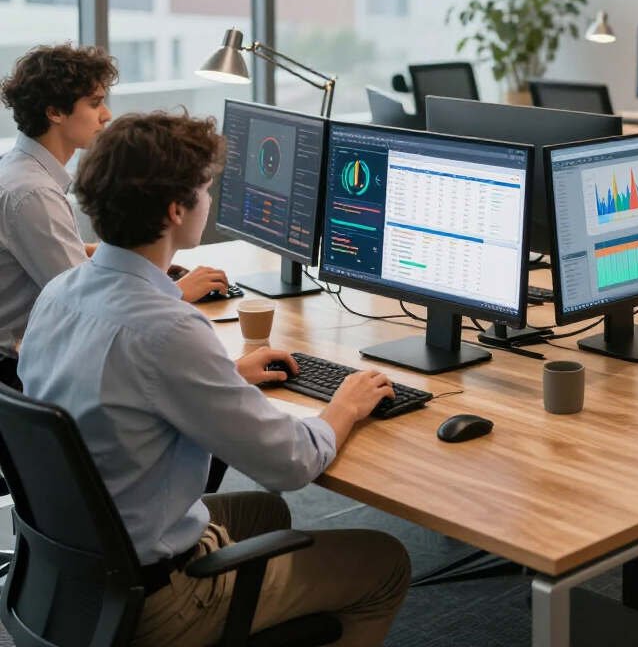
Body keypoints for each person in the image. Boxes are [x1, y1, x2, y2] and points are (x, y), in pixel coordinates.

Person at [18, 111, 411, 647]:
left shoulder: (57, 294)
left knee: (265, 513)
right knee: (384, 561)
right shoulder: (168, 330)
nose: (211, 199)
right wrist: (344, 403)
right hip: (158, 601)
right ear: (176, 210)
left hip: (77, 576)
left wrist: (225, 376)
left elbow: (117, 390)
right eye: (206, 188)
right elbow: (289, 462)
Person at [0, 44, 231, 387]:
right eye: (94, 103)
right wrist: (177, 291)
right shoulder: (34, 194)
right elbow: (91, 304)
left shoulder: (18, 169)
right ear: (55, 113)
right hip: (13, 371)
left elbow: (61, 254)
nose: (106, 115)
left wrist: (133, 262)